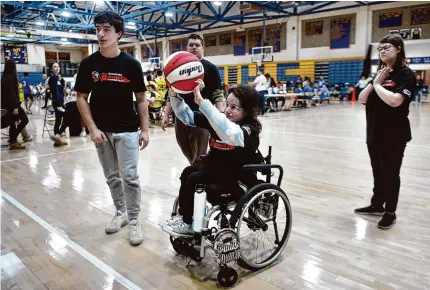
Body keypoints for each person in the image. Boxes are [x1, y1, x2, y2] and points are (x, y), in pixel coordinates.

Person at [75, 10, 149, 246]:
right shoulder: (88, 65)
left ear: (119, 33)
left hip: (127, 130)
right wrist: (93, 128)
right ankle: (121, 212)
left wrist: (145, 130)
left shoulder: (131, 65)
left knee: (130, 177)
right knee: (112, 177)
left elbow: (141, 99)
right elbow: (81, 98)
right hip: (102, 132)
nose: (100, 34)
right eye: (98, 29)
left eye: (106, 29)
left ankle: (135, 219)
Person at [160, 83, 261, 235]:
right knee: (187, 172)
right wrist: (174, 96)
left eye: (234, 107)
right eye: (227, 105)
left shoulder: (249, 129)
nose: (228, 110)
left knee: (194, 178)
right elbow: (187, 117)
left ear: (246, 111)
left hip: (234, 178)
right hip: (215, 169)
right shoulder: (219, 120)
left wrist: (203, 103)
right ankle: (185, 217)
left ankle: (187, 223)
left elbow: (231, 134)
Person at [355, 34, 416, 230]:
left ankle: (390, 212)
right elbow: (362, 99)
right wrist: (375, 81)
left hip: (394, 135)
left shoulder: (405, 74)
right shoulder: (380, 73)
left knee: (391, 174)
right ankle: (377, 204)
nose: (382, 51)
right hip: (374, 132)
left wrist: (379, 85)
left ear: (398, 49)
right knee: (377, 172)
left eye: (387, 47)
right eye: (380, 48)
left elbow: (395, 101)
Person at [161, 33, 225, 165]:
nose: (194, 47)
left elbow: (218, 93)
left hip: (202, 116)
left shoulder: (210, 68)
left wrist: (222, 116)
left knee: (200, 153)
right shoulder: (178, 66)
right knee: (185, 148)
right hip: (181, 115)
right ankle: (198, 171)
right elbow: (170, 92)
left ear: (203, 48)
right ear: (186, 48)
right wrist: (166, 114)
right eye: (191, 45)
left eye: (197, 45)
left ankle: (198, 178)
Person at [1, 60, 29, 150]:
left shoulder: (4, 77)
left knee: (12, 123)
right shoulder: (10, 78)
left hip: (5, 106)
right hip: (12, 105)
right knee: (25, 119)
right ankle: (13, 139)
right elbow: (11, 95)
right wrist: (15, 107)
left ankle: (13, 141)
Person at [48, 63, 68, 146]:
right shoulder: (52, 78)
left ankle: (57, 140)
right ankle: (58, 135)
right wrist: (59, 105)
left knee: (59, 120)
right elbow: (55, 91)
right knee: (67, 118)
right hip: (57, 103)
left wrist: (62, 80)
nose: (57, 68)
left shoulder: (58, 78)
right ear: (52, 69)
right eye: (55, 67)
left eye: (58, 66)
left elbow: (62, 89)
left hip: (60, 101)